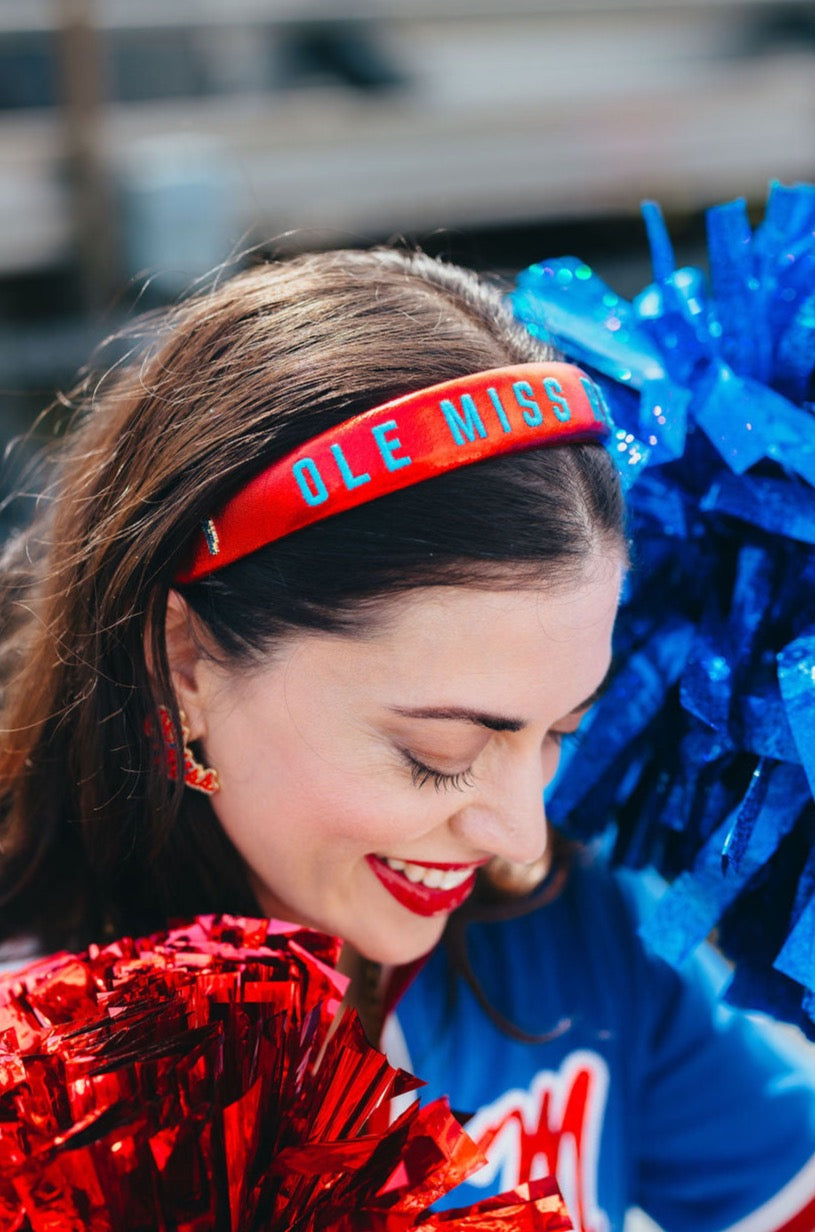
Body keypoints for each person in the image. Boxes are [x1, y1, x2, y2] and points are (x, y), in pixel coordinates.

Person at [0, 247, 812, 1232]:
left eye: (561, 730)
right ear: (186, 662)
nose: (517, 831)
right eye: (440, 749)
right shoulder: (44, 1085)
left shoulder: (569, 922)